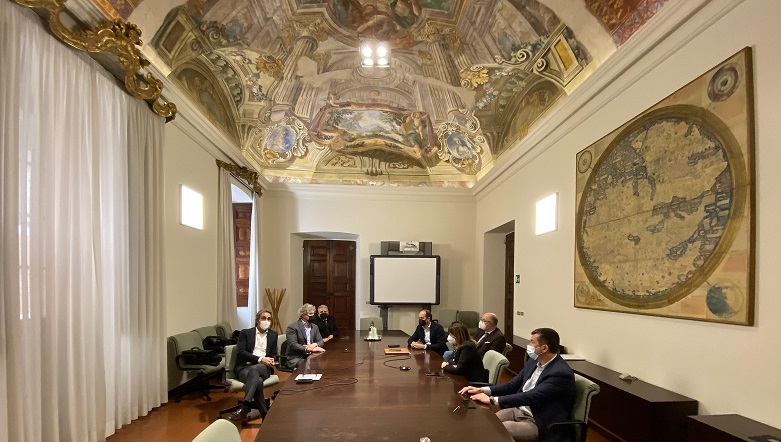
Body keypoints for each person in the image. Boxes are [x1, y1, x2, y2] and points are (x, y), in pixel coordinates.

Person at [459, 328, 576, 442]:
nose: (529, 345)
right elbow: (512, 385)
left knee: (496, 430)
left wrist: (492, 400)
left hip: (539, 421)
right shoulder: (534, 362)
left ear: (544, 348)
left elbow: (532, 396)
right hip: (519, 409)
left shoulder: (560, 373)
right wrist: (483, 390)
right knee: (486, 423)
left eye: (532, 342)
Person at [230, 309, 278, 421]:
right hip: (244, 367)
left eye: (269, 319)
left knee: (256, 369)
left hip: (264, 368)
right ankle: (264, 415)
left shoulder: (273, 335)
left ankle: (245, 406)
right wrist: (261, 359)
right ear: (257, 320)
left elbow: (274, 353)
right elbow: (241, 352)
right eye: (263, 318)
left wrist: (272, 360)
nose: (266, 321)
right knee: (258, 381)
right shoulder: (246, 333)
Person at [284, 303, 326, 369]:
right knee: (308, 365)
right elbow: (293, 345)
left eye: (313, 313)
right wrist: (309, 349)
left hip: (311, 355)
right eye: (310, 314)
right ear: (303, 315)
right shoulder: (292, 327)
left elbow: (321, 341)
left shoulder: (315, 327)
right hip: (296, 357)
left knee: (323, 363)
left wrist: (314, 345)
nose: (313, 316)